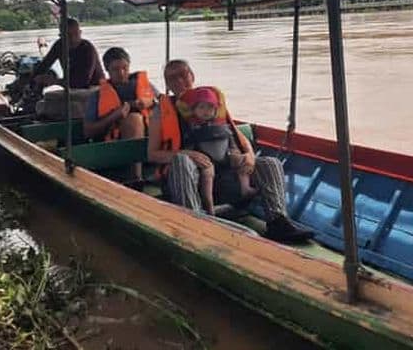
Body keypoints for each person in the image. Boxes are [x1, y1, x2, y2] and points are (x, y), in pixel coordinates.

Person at [147, 59, 313, 243]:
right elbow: (152, 154)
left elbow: (238, 137)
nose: (179, 81)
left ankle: (278, 222)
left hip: (225, 175)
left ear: (192, 76)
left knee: (269, 163)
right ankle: (195, 222)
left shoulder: (211, 103)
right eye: (172, 78)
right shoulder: (160, 113)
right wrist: (187, 154)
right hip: (191, 180)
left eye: (183, 75)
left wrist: (249, 155)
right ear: (167, 84)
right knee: (182, 161)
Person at [83, 47, 157, 183]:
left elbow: (165, 107)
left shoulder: (147, 87)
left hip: (152, 143)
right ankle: (136, 178)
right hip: (115, 146)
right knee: (133, 119)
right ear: (107, 70)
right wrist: (114, 116)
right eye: (116, 69)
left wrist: (151, 102)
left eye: (125, 68)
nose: (122, 73)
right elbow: (88, 131)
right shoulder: (97, 96)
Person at [178, 86, 256, 215]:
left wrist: (235, 152)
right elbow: (189, 146)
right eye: (201, 107)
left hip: (226, 156)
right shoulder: (193, 128)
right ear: (194, 110)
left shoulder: (222, 125)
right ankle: (209, 205)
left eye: (210, 108)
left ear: (216, 110)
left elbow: (231, 140)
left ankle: (245, 188)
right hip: (206, 160)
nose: (206, 111)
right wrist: (192, 155)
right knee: (208, 173)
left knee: (243, 162)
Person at [33, 18, 104, 89]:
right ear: (61, 36)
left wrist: (55, 81)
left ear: (80, 32)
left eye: (76, 34)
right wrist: (35, 78)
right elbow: (45, 65)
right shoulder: (59, 45)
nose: (72, 39)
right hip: (71, 86)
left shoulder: (87, 49)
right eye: (68, 35)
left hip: (94, 87)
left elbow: (83, 81)